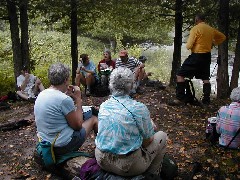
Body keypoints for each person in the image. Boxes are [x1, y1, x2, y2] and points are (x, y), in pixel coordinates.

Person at [95, 67, 167, 177]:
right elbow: (148, 141)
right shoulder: (138, 108)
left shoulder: (104, 105)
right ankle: (152, 176)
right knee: (162, 136)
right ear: (132, 85)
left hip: (101, 159)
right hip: (127, 166)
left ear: (111, 84)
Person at [34, 63, 98, 157]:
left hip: (45, 142)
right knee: (94, 119)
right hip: (61, 146)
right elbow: (78, 126)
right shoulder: (64, 99)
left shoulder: (42, 94)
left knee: (88, 112)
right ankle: (101, 151)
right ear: (65, 80)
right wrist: (78, 100)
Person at [173, 14, 226, 105]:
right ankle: (206, 100)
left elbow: (189, 46)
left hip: (196, 56)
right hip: (207, 57)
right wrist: (213, 43)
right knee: (205, 78)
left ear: (197, 20)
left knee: (180, 75)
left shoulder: (195, 29)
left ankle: (180, 98)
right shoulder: (210, 29)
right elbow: (223, 37)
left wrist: (191, 45)